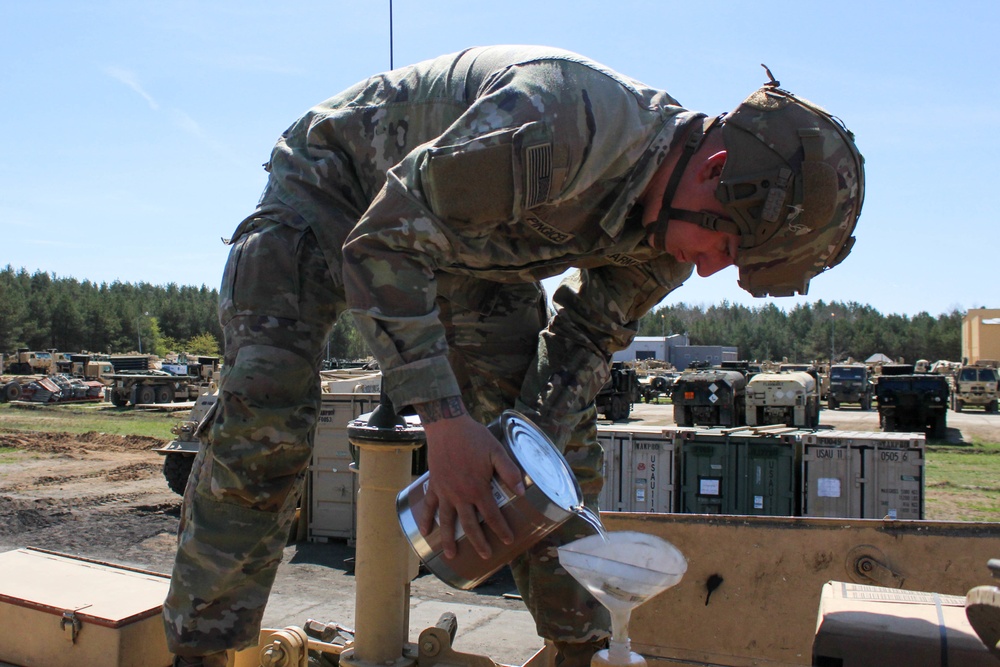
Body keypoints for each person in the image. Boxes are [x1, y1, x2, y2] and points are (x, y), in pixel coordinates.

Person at [163, 45, 865, 667]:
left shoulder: (669, 237)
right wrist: (443, 419)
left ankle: (580, 646)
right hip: (334, 192)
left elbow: (583, 345)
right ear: (715, 169)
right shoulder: (562, 127)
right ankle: (203, 644)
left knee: (548, 450)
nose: (710, 270)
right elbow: (384, 242)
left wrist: (523, 464)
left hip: (469, 252)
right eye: (727, 246)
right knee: (268, 421)